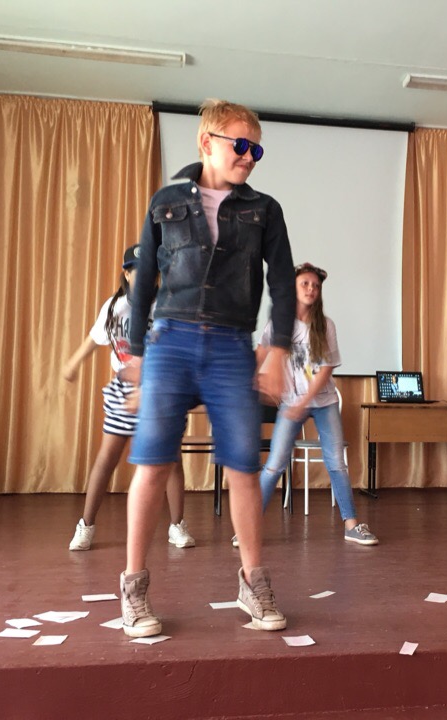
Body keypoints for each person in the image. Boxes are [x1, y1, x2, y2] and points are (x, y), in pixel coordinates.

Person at [119, 99, 296, 638]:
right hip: (169, 342)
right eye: (239, 144)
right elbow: (143, 283)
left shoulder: (265, 210)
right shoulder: (167, 200)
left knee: (242, 466)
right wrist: (137, 355)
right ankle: (132, 588)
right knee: (153, 463)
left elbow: (282, 282)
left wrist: (278, 351)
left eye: (256, 150)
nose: (248, 156)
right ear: (206, 142)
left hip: (230, 346)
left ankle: (253, 582)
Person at [61, 244, 194, 551]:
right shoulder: (115, 306)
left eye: (151, 272)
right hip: (124, 389)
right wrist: (73, 363)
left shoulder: (167, 306)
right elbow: (94, 338)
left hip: (161, 389)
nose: (145, 276)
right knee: (107, 457)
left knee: (171, 459)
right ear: (127, 274)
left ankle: (177, 526)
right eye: (138, 271)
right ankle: (86, 525)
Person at [249, 262, 377, 546]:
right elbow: (261, 353)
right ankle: (249, 527)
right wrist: (249, 380)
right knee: (274, 465)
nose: (311, 289)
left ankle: (352, 525)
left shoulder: (325, 325)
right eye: (305, 284)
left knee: (336, 464)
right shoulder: (279, 324)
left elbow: (326, 370)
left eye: (315, 286)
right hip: (291, 402)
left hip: (323, 401)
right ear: (293, 288)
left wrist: (304, 402)